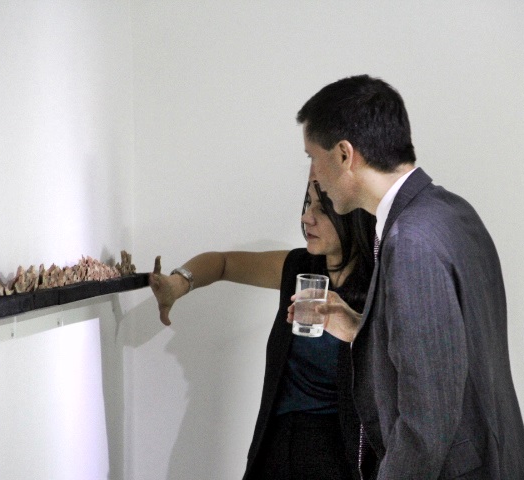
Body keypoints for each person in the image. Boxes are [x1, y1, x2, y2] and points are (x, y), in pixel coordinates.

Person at [295, 75, 524, 479]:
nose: (313, 176)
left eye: (312, 157)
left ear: (344, 155)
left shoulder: (410, 241)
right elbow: (449, 356)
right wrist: (361, 328)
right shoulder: (450, 210)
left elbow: (427, 422)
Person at [149, 180, 376, 480]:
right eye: (308, 204)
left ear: (353, 214)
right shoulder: (298, 267)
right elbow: (223, 263)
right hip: (276, 444)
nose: (306, 217)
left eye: (322, 209)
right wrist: (177, 285)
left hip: (339, 455)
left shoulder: (383, 285)